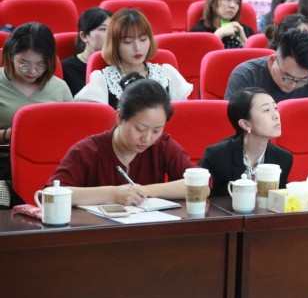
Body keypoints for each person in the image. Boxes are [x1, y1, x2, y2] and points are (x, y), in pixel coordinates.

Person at [48, 78, 198, 206]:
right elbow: (50, 194)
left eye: (156, 130)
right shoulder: (87, 151)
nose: (147, 139)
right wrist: (112, 194)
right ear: (120, 117)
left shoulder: (162, 146)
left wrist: (146, 190)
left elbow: (201, 184)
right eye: (140, 129)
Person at [0, 23, 73, 206]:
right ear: (9, 55)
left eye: (41, 64)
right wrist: (9, 134)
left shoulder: (59, 88)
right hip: (4, 163)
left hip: (51, 164)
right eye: (23, 63)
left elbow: (72, 136)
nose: (32, 71)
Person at [75, 9, 192, 108]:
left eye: (143, 40)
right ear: (114, 44)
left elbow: (182, 117)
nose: (138, 48)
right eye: (128, 41)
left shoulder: (167, 73)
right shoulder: (102, 79)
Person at [200, 87, 292, 196]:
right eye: (266, 110)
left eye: (275, 108)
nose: (276, 115)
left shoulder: (283, 159)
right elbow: (198, 194)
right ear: (245, 124)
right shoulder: (217, 156)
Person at [224, 28, 308, 101]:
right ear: (272, 61)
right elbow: (231, 123)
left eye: (302, 80)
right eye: (287, 76)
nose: (292, 85)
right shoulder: (246, 76)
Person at [62, 7, 114, 95]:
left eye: (113, 29)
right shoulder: (66, 68)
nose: (111, 34)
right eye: (103, 29)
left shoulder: (120, 64)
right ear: (84, 36)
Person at [190, 0, 254, 49]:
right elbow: (196, 54)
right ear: (213, 1)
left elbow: (257, 55)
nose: (233, 5)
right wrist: (217, 35)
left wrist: (245, 41)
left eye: (237, 2)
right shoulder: (198, 32)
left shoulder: (245, 30)